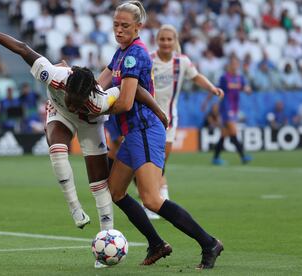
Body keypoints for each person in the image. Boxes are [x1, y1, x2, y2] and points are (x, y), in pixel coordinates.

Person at [0, 23, 168, 246]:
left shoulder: (100, 101)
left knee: (99, 184)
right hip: (59, 113)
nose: (75, 106)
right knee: (57, 149)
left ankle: (107, 239)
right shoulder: (53, 75)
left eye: (79, 104)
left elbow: (135, 92)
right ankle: (75, 207)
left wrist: (158, 111)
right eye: (73, 102)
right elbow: (21, 48)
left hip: (90, 124)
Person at [96, 1, 223, 269]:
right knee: (115, 191)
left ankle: (208, 242)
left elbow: (127, 102)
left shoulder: (135, 55)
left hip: (144, 130)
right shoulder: (120, 53)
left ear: (138, 27)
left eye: (125, 26)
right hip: (134, 133)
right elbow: (101, 82)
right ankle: (156, 244)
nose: (118, 30)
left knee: (152, 199)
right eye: (116, 25)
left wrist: (94, 110)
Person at [148, 24, 224, 207]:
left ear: (175, 42)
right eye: (162, 39)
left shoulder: (181, 62)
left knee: (161, 162)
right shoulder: (149, 60)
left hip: (169, 119)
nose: (166, 43)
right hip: (148, 118)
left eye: (169, 39)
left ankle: (158, 197)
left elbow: (196, 76)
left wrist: (211, 88)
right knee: (150, 162)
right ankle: (154, 200)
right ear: (157, 41)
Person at [203, 54, 252, 165]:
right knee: (233, 131)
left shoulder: (240, 78)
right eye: (233, 63)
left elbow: (246, 88)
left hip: (235, 108)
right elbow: (215, 90)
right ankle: (243, 156)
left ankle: (215, 158)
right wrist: (206, 102)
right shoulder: (224, 78)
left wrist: (248, 89)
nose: (235, 66)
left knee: (224, 134)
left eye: (236, 64)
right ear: (229, 65)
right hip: (225, 108)